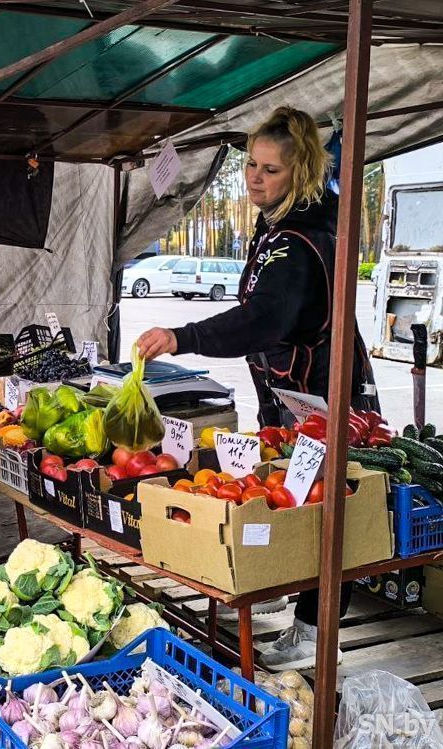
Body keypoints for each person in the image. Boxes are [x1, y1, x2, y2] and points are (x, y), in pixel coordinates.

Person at [136, 107, 379, 671]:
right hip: (292, 394)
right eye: (251, 165)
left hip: (323, 395)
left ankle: (315, 632)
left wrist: (183, 336)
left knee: (327, 512)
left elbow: (261, 320)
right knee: (297, 501)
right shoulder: (278, 225)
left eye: (270, 170)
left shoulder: (302, 238)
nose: (254, 178)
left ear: (300, 173)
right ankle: (294, 603)